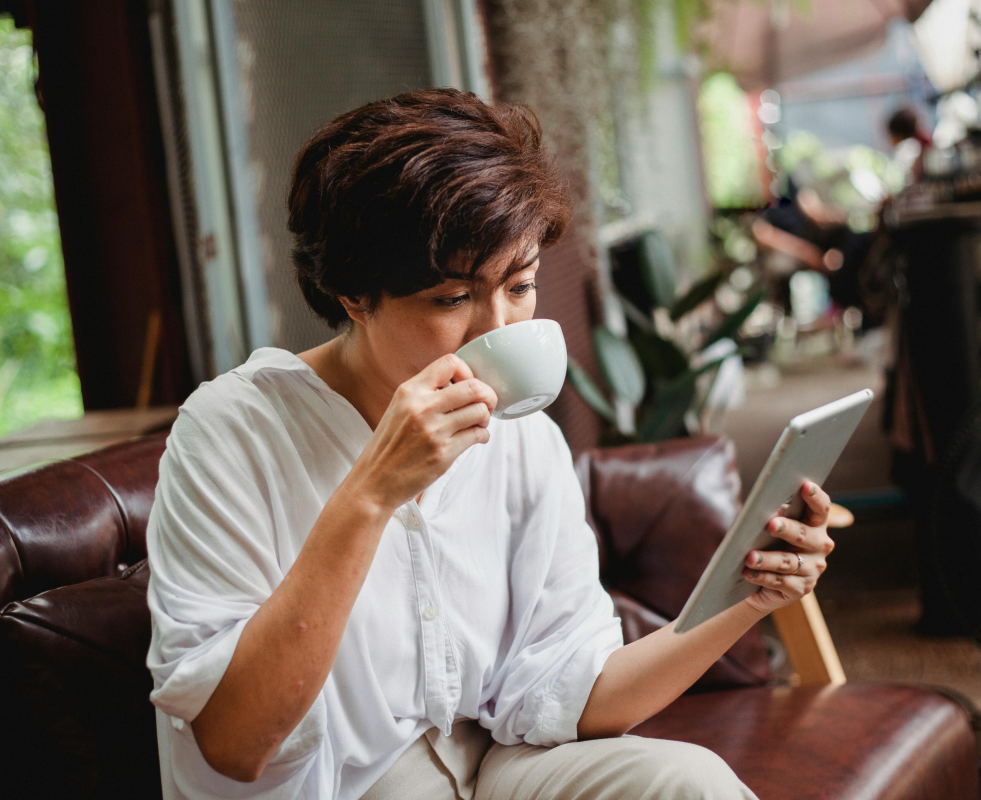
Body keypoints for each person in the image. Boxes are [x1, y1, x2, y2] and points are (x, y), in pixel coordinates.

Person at [145, 88, 835, 800]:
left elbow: (577, 690)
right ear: (354, 294)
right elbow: (233, 744)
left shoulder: (522, 437)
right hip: (344, 789)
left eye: (520, 285)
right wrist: (371, 493)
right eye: (452, 299)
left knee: (692, 784)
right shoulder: (233, 431)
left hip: (494, 763)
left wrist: (748, 598)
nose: (496, 329)